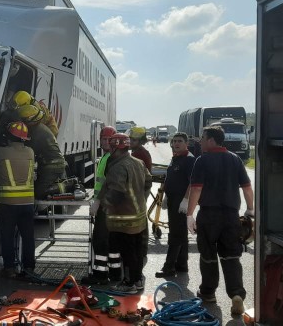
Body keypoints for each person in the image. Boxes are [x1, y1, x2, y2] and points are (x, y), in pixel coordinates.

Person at [185, 126, 255, 316]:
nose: (200, 141)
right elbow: (247, 188)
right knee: (232, 256)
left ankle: (208, 293)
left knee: (208, 255)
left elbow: (196, 189)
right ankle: (236, 295)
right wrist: (250, 209)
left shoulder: (202, 160)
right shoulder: (235, 159)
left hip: (209, 216)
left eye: (202, 138)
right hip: (231, 216)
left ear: (211, 140)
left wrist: (189, 214)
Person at [99, 133, 152, 293]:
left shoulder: (118, 167)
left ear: (115, 147)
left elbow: (116, 192)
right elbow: (148, 181)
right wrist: (141, 197)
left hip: (124, 219)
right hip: (138, 218)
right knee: (135, 252)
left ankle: (129, 284)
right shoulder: (138, 162)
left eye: (112, 147)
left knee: (127, 253)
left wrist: (102, 206)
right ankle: (137, 281)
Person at [0, 121, 37, 278]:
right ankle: (29, 268)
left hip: (8, 204)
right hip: (28, 203)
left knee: (7, 236)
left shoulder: (2, 152)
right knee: (28, 237)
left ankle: (9, 269)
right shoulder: (31, 152)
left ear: (9, 137)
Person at [81, 126, 123, 285]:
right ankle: (115, 273)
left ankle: (100, 275)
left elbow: (108, 184)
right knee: (111, 241)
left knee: (100, 240)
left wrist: (98, 202)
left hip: (106, 205)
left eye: (108, 140)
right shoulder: (108, 156)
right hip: (110, 205)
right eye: (103, 139)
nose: (105, 142)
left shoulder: (110, 158)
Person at [155, 133, 195, 278]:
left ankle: (169, 267)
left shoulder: (189, 160)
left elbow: (192, 182)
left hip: (181, 201)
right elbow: (170, 177)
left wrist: (185, 200)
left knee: (175, 234)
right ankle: (182, 264)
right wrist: (166, 195)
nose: (176, 143)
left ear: (186, 143)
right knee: (181, 233)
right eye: (174, 141)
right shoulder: (176, 157)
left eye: (180, 141)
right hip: (173, 199)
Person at [21, 104, 67, 199]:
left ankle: (66, 185)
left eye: (24, 120)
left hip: (52, 165)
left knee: (39, 192)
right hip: (49, 164)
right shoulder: (39, 127)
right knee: (37, 188)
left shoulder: (36, 132)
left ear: (30, 119)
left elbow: (29, 152)